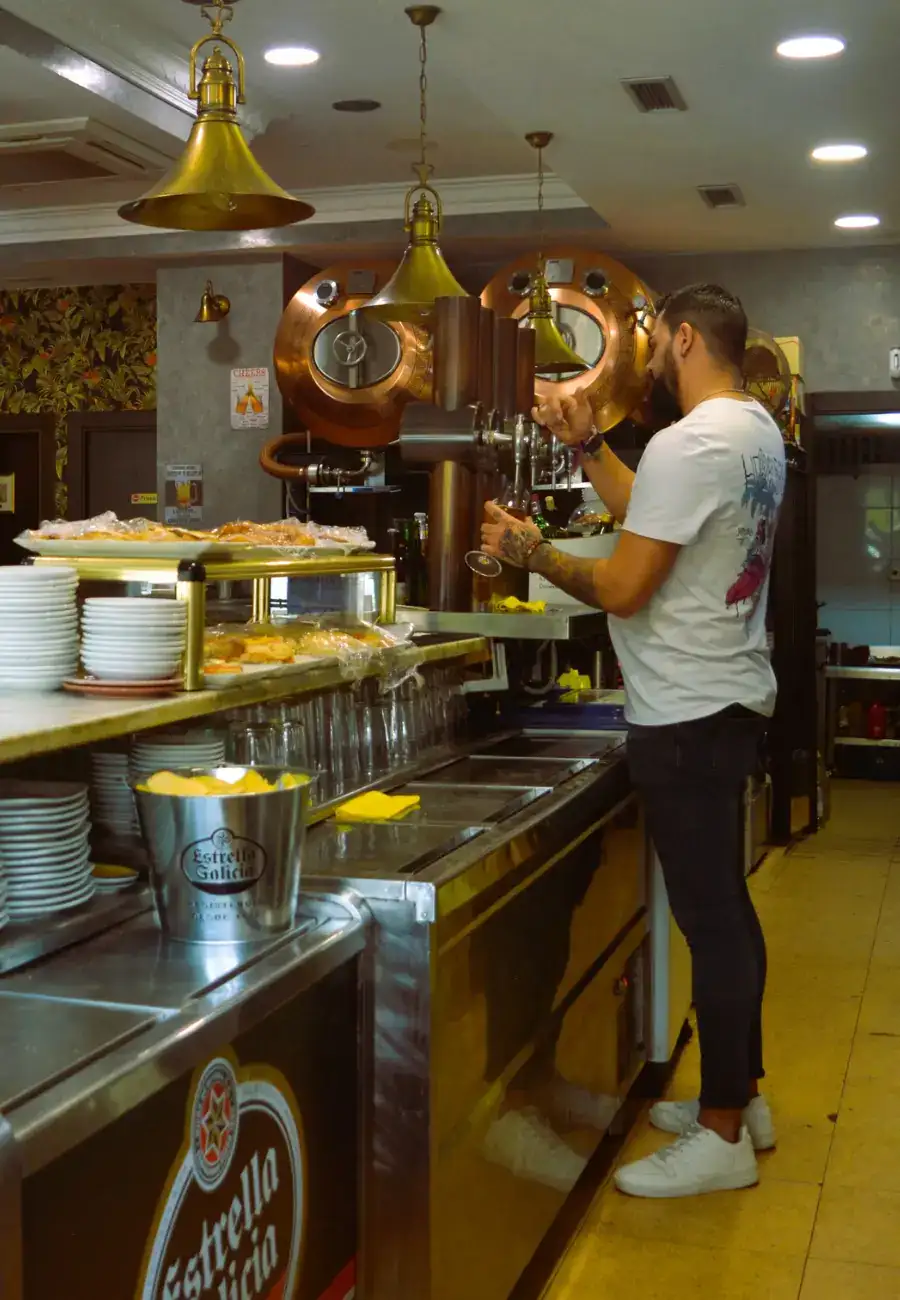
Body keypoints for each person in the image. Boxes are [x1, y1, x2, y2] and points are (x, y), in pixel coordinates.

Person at [479, 283, 786, 1199]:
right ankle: (745, 1097)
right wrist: (581, 443)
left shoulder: (694, 443)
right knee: (727, 913)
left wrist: (534, 554)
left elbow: (622, 587)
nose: (647, 356)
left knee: (713, 922)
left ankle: (725, 1133)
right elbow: (650, 504)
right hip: (726, 699)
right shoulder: (752, 432)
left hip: (686, 713)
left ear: (684, 336)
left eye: (654, 340)